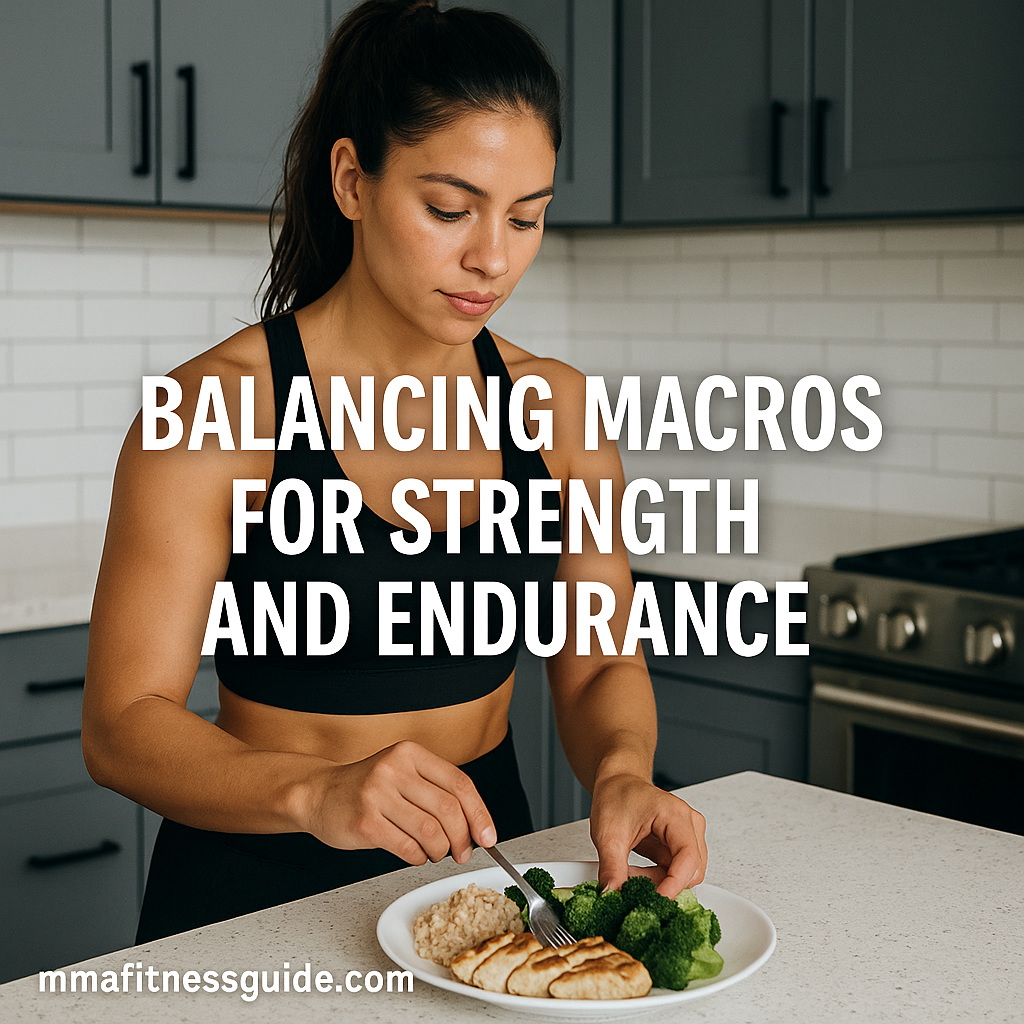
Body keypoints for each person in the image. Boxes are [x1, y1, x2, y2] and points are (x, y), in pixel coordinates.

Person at [82, 0, 707, 943]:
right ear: (352, 181)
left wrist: (622, 769)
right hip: (256, 887)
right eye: (449, 209)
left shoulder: (558, 408)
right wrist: (320, 792)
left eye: (528, 217)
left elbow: (600, 659)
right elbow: (123, 721)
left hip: (485, 876)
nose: (493, 258)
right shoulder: (219, 410)